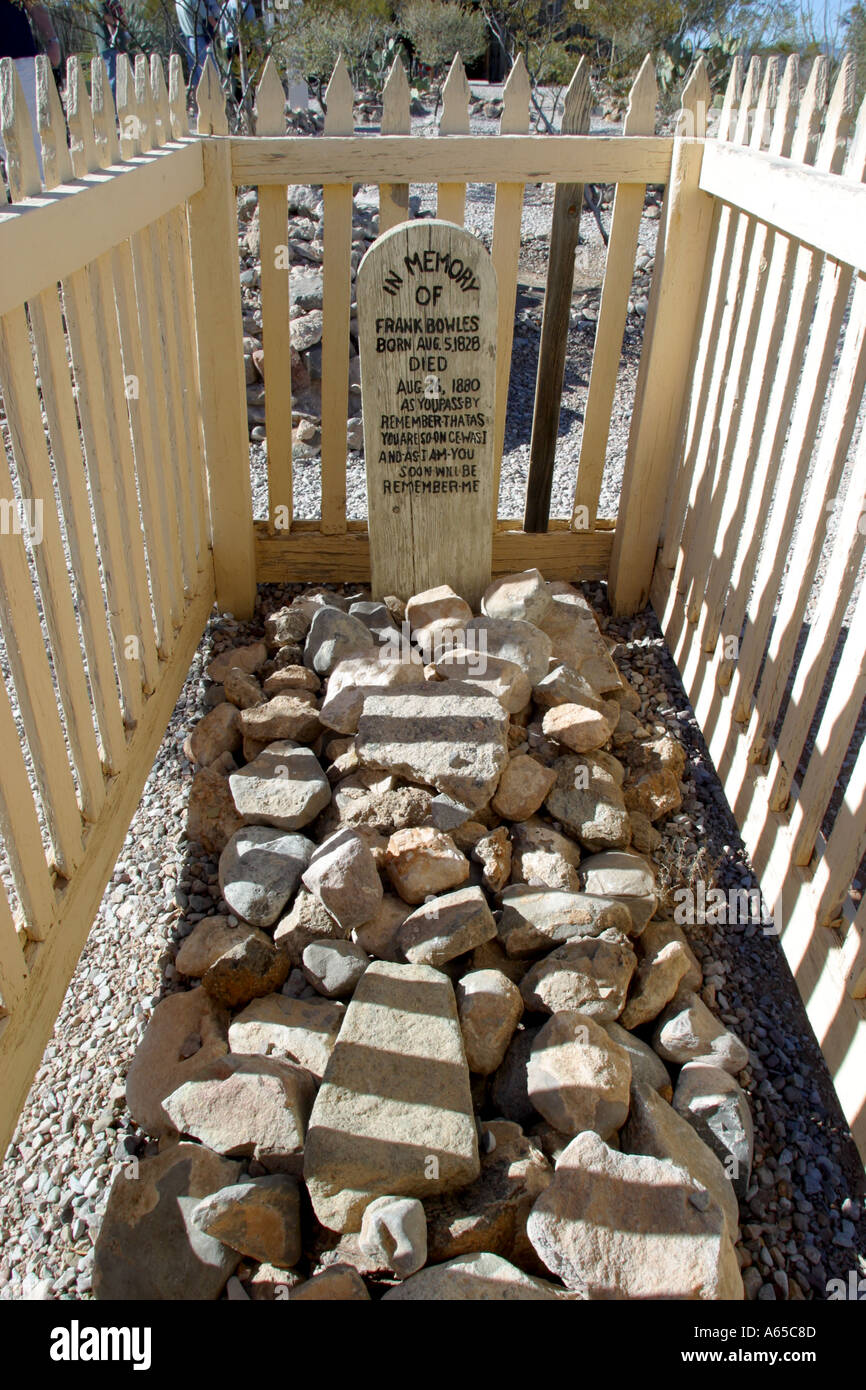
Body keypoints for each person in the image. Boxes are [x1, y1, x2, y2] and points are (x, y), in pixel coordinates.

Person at [0, 0, 62, 179]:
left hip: (21, 64)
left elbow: (33, 4)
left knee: (37, 140)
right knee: (8, 148)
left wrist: (53, 40)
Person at [175, 0, 219, 91]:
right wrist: (218, 29)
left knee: (196, 78)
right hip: (199, 39)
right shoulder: (195, 1)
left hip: (188, 39)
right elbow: (208, 16)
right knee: (209, 73)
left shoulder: (178, 1)